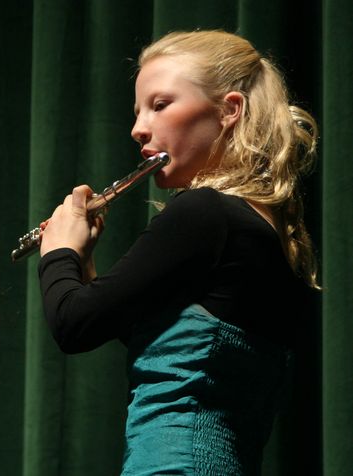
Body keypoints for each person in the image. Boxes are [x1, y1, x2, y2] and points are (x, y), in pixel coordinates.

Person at [37, 30, 319, 475]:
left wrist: (57, 251)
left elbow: (73, 326)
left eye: (160, 104)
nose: (138, 128)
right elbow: (177, 353)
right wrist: (85, 268)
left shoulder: (204, 213)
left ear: (229, 110)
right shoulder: (268, 231)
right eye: (138, 111)